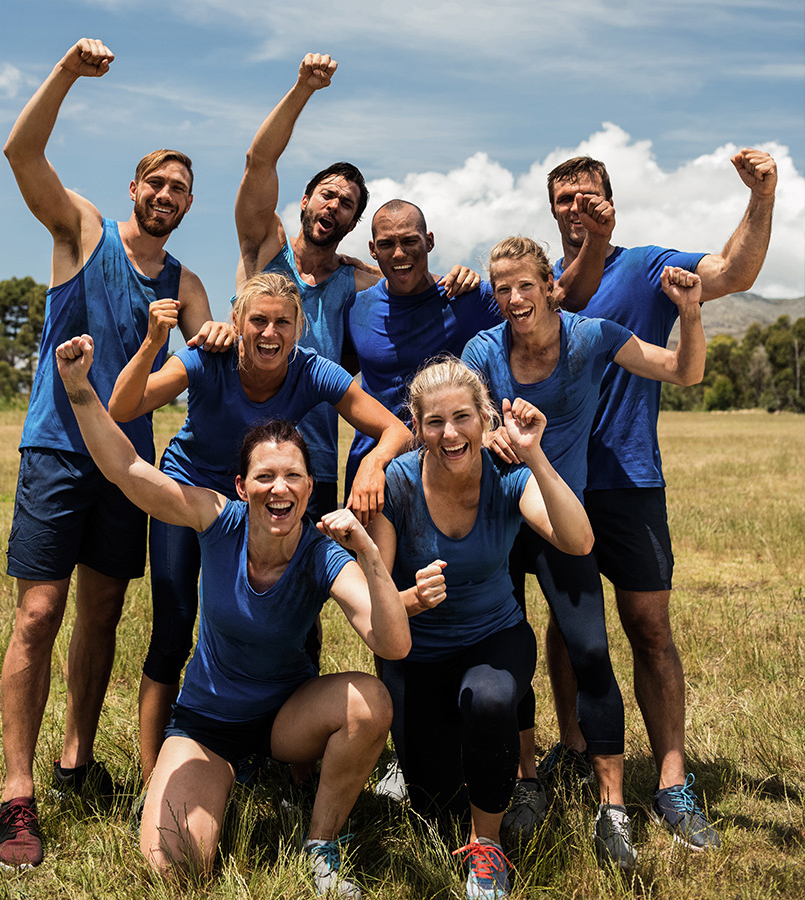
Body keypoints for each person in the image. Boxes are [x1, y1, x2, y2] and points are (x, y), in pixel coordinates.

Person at [57, 334, 411, 899]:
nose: (280, 488)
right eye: (265, 477)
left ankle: (320, 844)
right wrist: (79, 391)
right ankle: (212, 779)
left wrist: (369, 554)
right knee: (173, 868)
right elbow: (127, 469)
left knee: (373, 702)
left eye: (293, 476)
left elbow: (391, 645)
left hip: (284, 722)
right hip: (207, 724)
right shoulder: (217, 519)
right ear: (242, 487)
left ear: (309, 489)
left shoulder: (324, 552)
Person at [0, 38, 230, 871]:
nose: (167, 196)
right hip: (58, 451)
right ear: (136, 188)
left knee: (100, 614)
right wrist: (64, 72)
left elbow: (207, 350)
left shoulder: (187, 283)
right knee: (39, 613)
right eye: (156, 183)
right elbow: (22, 151)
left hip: (128, 467)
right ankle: (17, 798)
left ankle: (76, 762)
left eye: (180, 190)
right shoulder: (83, 230)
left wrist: (211, 337)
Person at [542, 149, 777, 850]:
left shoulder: (643, 265)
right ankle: (576, 749)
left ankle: (673, 781)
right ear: (551, 210)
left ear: (611, 202)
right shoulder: (542, 285)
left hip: (631, 479)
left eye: (589, 198)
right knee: (566, 627)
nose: (577, 209)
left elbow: (733, 273)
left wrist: (761, 197)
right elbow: (571, 305)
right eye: (566, 201)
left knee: (650, 629)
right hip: (563, 484)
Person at [108, 271, 413, 785]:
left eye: (282, 323)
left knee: (298, 621)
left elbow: (395, 430)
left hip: (269, 494)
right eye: (258, 321)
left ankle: (295, 770)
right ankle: (153, 773)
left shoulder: (313, 370)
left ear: (299, 330)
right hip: (197, 494)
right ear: (237, 323)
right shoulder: (208, 356)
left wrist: (373, 463)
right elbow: (122, 406)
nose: (270, 333)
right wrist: (153, 343)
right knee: (176, 623)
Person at [462, 236, 706, 869]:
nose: (513, 298)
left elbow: (684, 370)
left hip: (558, 514)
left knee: (591, 648)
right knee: (507, 651)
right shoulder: (484, 349)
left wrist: (691, 312)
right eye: (502, 288)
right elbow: (467, 422)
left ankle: (612, 806)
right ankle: (527, 778)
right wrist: (490, 433)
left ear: (551, 286)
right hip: (497, 519)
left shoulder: (592, 336)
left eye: (524, 285)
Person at [367, 359, 594, 899]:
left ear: (485, 418)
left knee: (490, 698)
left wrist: (535, 454)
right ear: (417, 428)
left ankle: (487, 849)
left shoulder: (509, 473)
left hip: (494, 638)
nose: (451, 433)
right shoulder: (397, 486)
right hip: (417, 655)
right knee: (434, 804)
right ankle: (427, 762)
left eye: (463, 417)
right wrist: (408, 600)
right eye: (435, 422)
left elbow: (579, 540)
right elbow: (375, 614)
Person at [235, 54, 478, 519]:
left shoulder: (361, 281)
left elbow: (412, 273)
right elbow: (258, 160)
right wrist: (304, 87)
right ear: (305, 200)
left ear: (353, 223)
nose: (334, 205)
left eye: (347, 203)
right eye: (327, 193)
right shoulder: (263, 248)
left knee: (310, 585)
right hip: (244, 453)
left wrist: (461, 275)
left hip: (317, 459)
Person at [343, 197, 614, 495]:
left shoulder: (469, 298)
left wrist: (597, 239)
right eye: (386, 245)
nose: (399, 253)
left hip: (447, 477)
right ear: (372, 249)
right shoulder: (356, 307)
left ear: (429, 241)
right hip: (371, 475)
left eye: (410, 241)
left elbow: (558, 299)